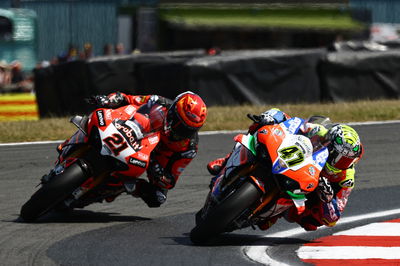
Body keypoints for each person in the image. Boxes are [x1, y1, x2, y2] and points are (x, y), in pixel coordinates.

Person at [207, 108, 364, 231]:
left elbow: (333, 218)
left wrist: (328, 199)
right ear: (330, 143)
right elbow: (294, 122)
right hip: (298, 159)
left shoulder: (346, 179)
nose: (340, 163)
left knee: (311, 223)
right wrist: (271, 117)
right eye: (338, 156)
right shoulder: (320, 131)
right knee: (261, 125)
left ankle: (276, 211)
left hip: (308, 189)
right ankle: (227, 160)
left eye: (346, 161)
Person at [82, 91, 207, 208]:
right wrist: (109, 100)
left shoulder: (188, 148)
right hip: (134, 134)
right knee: (98, 116)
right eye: (179, 124)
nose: (181, 132)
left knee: (158, 198)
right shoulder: (158, 102)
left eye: (188, 130)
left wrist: (160, 175)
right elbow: (127, 99)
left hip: (154, 161)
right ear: (173, 111)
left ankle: (126, 186)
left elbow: (170, 180)